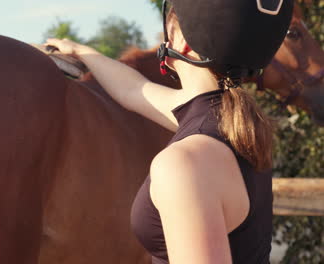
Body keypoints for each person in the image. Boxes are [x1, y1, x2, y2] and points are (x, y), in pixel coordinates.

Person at [45, 0, 294, 263]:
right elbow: (134, 90)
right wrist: (82, 52)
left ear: (180, 38)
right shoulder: (238, 127)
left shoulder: (185, 163)